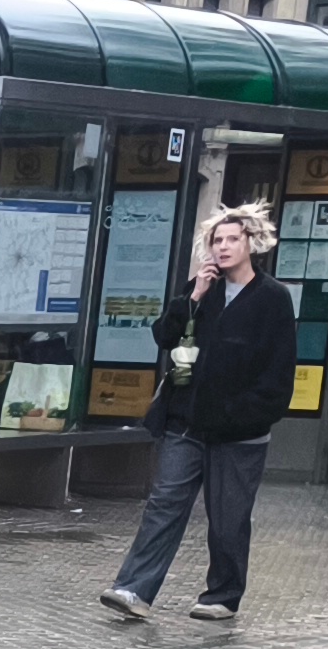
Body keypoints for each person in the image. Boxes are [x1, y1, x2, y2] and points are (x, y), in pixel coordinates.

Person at [103, 201, 291, 625]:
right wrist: (193, 297)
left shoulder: (272, 298)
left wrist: (246, 413)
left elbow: (279, 371)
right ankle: (134, 589)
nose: (222, 247)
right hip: (186, 423)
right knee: (164, 505)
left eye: (232, 239)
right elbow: (164, 336)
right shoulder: (203, 289)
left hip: (239, 431)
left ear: (251, 243)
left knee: (228, 518)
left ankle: (223, 595)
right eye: (216, 240)